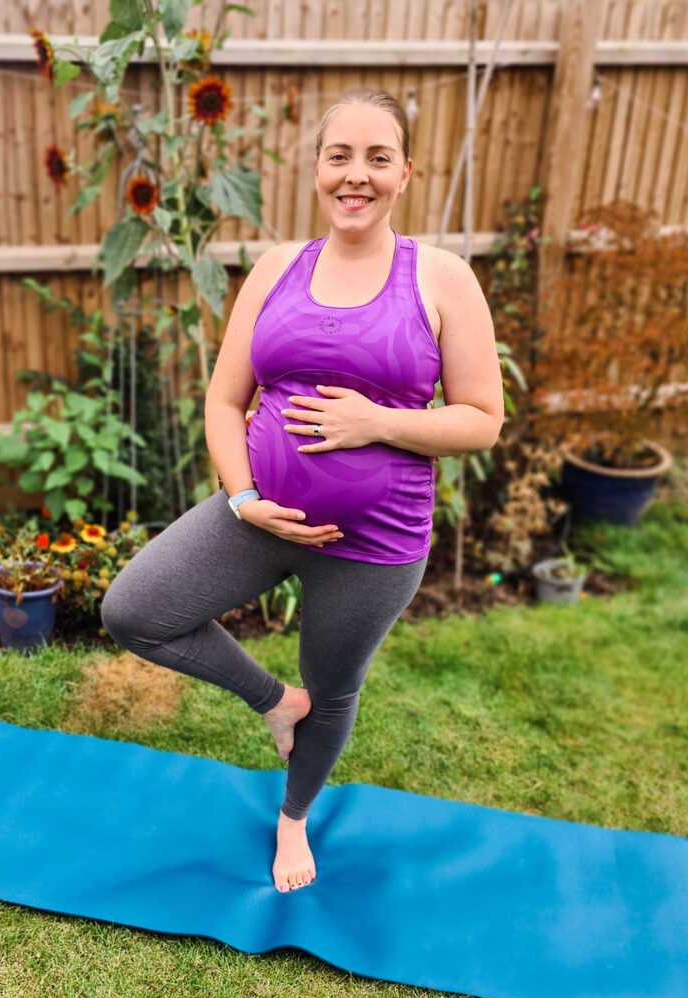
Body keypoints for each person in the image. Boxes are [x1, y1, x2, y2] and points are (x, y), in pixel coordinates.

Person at [101, 89, 503, 893]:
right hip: (256, 518)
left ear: (404, 173)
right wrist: (244, 496)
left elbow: (482, 420)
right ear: (318, 169)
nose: (357, 175)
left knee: (335, 687)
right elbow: (224, 401)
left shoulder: (442, 278)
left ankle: (293, 819)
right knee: (133, 611)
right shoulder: (278, 269)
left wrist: (377, 422)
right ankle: (272, 702)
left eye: (377, 158)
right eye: (339, 156)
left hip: (374, 546)